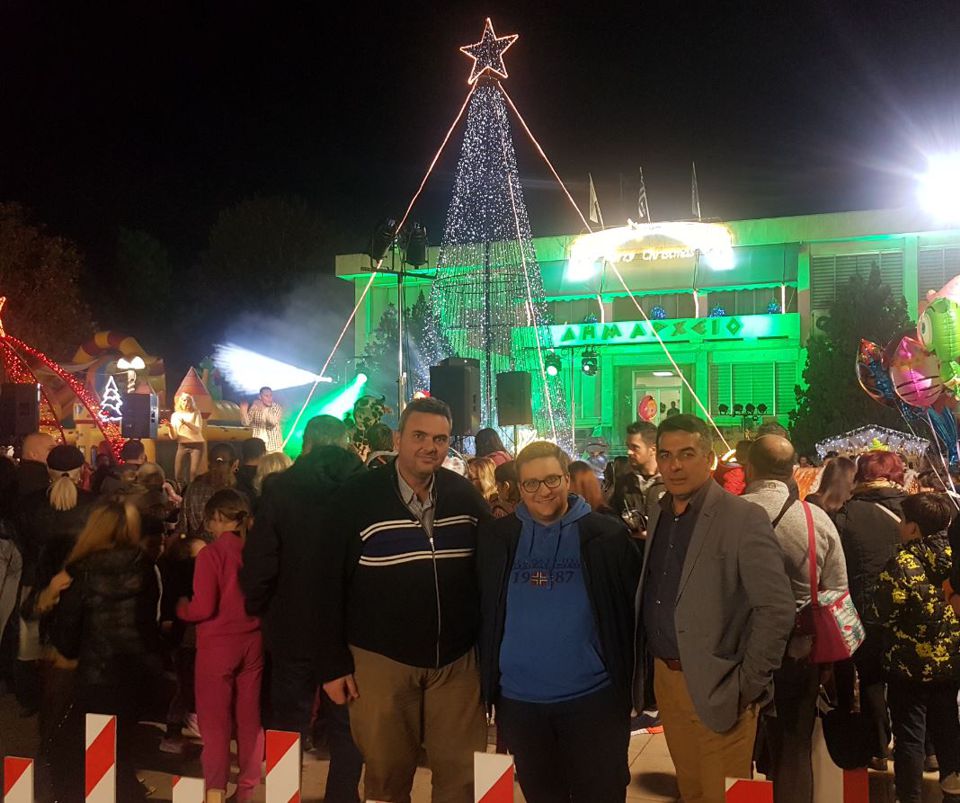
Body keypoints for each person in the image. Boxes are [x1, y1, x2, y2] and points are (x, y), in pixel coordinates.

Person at [319, 397, 490, 803]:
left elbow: (489, 570)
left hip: (456, 662)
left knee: (462, 778)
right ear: (398, 439)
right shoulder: (355, 498)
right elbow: (324, 585)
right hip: (382, 660)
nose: (430, 447)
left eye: (440, 439)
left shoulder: (464, 497)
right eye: (419, 436)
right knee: (386, 777)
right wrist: (331, 664)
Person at [634, 415, 795, 803]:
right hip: (667, 681)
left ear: (709, 459)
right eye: (666, 455)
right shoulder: (659, 512)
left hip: (721, 684)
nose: (675, 465)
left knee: (724, 796)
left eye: (687, 454)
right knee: (691, 792)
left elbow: (776, 608)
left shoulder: (743, 517)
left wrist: (747, 685)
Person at [477, 442, 641, 802]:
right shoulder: (497, 539)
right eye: (531, 483)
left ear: (567, 479)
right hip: (520, 703)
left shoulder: (606, 536)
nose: (543, 491)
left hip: (593, 700)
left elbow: (631, 614)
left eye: (552, 479)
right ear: (519, 488)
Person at [241, 416, 367, 802]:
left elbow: (262, 557)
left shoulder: (281, 490)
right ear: (344, 444)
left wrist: (257, 603)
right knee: (346, 724)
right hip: (348, 627)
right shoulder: (362, 488)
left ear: (307, 445)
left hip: (291, 622)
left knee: (288, 722)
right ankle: (342, 796)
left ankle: (283, 795)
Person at [743, 435, 848, 803]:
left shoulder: (726, 515)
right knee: (793, 748)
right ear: (792, 471)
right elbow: (837, 590)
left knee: (733, 750)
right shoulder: (814, 518)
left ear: (749, 468)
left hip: (736, 649)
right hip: (799, 651)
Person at [52, 501, 162, 802]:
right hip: (135, 669)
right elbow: (149, 621)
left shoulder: (82, 571)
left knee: (93, 747)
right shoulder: (145, 567)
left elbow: (67, 634)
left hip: (96, 672)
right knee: (121, 744)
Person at [870, 493, 960, 802]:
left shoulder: (902, 563)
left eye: (903, 520)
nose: (899, 525)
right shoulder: (954, 558)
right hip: (949, 664)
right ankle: (953, 792)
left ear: (914, 528)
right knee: (948, 730)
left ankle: (909, 797)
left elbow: (880, 612)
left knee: (909, 737)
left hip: (907, 668)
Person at [178, 489, 263, 802]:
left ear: (217, 517)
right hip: (252, 642)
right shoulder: (256, 553)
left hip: (217, 646)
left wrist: (182, 608)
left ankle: (215, 789)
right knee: (250, 721)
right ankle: (246, 790)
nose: (209, 527)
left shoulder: (210, 555)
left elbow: (204, 608)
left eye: (210, 520)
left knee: (215, 724)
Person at [833, 449, 907, 768]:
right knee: (907, 679)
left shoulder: (846, 513)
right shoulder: (913, 507)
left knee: (871, 677)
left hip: (864, 608)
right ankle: (920, 748)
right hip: (909, 609)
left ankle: (878, 748)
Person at [611, 420, 664, 537]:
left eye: (635, 447)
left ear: (653, 449)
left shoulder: (671, 483)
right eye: (628, 446)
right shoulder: (624, 483)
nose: (629, 452)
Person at [177, 442, 239, 540]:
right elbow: (184, 525)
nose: (217, 466)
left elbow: (183, 527)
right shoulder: (195, 489)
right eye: (215, 461)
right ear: (235, 465)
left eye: (221, 462)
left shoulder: (239, 490)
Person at [171, 392, 206, 485]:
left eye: (188, 401)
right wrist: (170, 427)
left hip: (196, 445)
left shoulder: (196, 413)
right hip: (182, 445)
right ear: (180, 402)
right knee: (178, 473)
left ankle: (191, 490)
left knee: (193, 472)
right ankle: (181, 489)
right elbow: (174, 436)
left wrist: (186, 423)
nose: (186, 403)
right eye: (183, 400)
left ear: (191, 402)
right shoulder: (175, 415)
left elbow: (197, 429)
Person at [240, 386, 283, 453]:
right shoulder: (254, 407)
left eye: (271, 395)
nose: (269, 398)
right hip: (259, 446)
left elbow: (272, 422)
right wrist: (244, 412)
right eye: (266, 396)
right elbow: (246, 424)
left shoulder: (276, 407)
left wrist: (263, 408)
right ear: (260, 397)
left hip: (274, 447)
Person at [17, 431, 55, 497]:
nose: (56, 453)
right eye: (51, 449)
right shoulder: (38, 480)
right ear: (33, 455)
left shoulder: (17, 475)